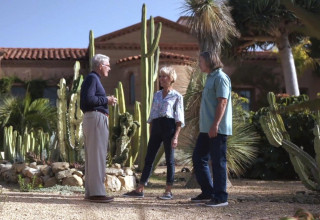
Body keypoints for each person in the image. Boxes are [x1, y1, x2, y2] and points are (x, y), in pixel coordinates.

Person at [123, 66, 184, 200]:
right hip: (156, 126)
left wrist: (176, 136)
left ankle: (168, 191)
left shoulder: (177, 96)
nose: (161, 79)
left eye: (164, 76)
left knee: (169, 160)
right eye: (160, 76)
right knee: (148, 159)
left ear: (171, 78)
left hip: (169, 127)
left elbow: (179, 119)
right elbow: (152, 116)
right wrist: (151, 133)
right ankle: (140, 189)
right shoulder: (157, 95)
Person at [191, 51, 232, 207]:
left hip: (217, 129)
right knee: (198, 158)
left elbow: (222, 102)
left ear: (209, 62)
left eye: (200, 61)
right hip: (206, 129)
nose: (199, 64)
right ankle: (208, 192)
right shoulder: (209, 78)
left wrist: (215, 125)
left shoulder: (221, 78)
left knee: (218, 162)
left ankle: (221, 197)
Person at [80, 54, 118, 203]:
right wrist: (107, 100)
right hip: (96, 119)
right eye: (108, 65)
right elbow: (88, 101)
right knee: (97, 156)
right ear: (100, 66)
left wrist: (104, 100)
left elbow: (89, 100)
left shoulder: (92, 79)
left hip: (93, 119)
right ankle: (97, 193)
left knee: (93, 156)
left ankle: (91, 191)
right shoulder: (92, 78)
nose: (109, 68)